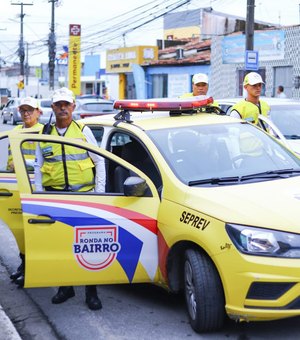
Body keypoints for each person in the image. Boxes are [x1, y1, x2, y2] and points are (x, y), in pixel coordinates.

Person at [34, 87, 106, 311]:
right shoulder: (45, 134)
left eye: (66, 104)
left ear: (73, 107)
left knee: (88, 246)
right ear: (53, 108)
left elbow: (100, 161)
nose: (63, 108)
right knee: (62, 245)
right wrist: (38, 197)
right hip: (56, 198)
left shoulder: (83, 130)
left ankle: (91, 291)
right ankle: (66, 287)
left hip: (83, 197)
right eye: (58, 104)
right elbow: (38, 166)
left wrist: (99, 195)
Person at [9, 96, 43, 288]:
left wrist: (24, 165)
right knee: (21, 231)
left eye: (30, 110)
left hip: (36, 189)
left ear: (38, 112)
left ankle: (32, 270)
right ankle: (24, 265)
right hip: (17, 188)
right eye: (23, 110)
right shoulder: (14, 132)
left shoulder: (44, 132)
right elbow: (9, 162)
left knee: (34, 233)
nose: (26, 113)